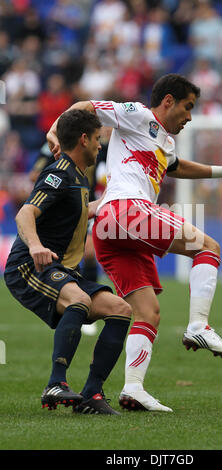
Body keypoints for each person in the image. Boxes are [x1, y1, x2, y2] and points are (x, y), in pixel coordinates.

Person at [47, 74, 222, 413]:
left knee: (147, 312)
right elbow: (84, 107)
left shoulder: (166, 143)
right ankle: (199, 326)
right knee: (208, 248)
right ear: (169, 101)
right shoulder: (137, 114)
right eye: (188, 108)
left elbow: (176, 167)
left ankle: (133, 389)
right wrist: (54, 131)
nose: (190, 117)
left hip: (110, 232)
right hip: (127, 212)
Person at [4, 109, 132, 415]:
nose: (100, 146)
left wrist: (111, 202)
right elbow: (25, 213)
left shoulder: (78, 176)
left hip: (60, 269)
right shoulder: (59, 173)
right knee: (78, 299)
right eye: (98, 140)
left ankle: (92, 395)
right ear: (84, 139)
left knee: (120, 309)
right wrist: (35, 246)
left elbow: (77, 212)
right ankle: (55, 384)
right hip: (29, 267)